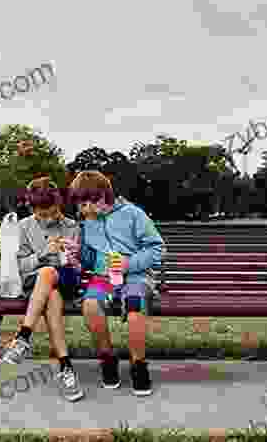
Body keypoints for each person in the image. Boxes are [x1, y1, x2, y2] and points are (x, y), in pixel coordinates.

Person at [66, 170, 166, 396]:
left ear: (100, 198)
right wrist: (78, 254)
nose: (81, 211)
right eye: (80, 206)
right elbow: (91, 258)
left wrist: (129, 264)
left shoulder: (133, 214)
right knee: (91, 305)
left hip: (136, 276)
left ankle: (138, 366)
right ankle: (107, 359)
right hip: (103, 278)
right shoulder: (88, 221)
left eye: (84, 204)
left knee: (134, 305)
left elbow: (157, 248)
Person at [1, 176, 85, 402]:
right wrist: (43, 253)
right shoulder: (23, 227)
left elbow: (80, 266)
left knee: (50, 276)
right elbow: (17, 266)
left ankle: (23, 336)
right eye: (42, 214)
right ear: (32, 208)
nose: (48, 218)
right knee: (50, 291)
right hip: (35, 285)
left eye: (53, 212)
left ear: (59, 205)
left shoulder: (71, 226)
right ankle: (66, 367)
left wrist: (74, 258)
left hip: (66, 280)